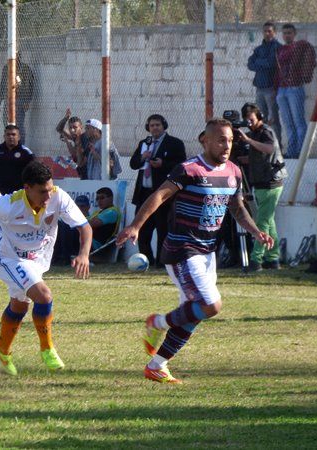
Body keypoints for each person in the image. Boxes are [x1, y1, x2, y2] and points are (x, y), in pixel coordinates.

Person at [116, 118, 273, 384]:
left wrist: (255, 230)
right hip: (181, 248)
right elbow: (159, 195)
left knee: (194, 312)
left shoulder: (233, 171)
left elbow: (236, 206)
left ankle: (157, 365)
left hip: (207, 252)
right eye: (221, 140)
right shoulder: (189, 169)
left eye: (231, 140)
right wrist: (136, 225)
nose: (226, 146)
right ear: (206, 140)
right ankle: (159, 323)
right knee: (210, 304)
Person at [0, 161, 93, 376]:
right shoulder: (7, 204)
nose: (48, 197)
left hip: (37, 261)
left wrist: (83, 254)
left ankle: (2, 350)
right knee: (44, 296)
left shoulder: (58, 197)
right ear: (27, 188)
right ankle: (47, 348)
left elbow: (84, 227)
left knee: (19, 306)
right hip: (8, 259)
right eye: (42, 192)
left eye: (50, 189)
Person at [129, 114, 187, 268]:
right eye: (152, 125)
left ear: (164, 126)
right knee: (142, 229)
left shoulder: (174, 143)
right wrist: (142, 157)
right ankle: (146, 261)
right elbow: (133, 164)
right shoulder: (144, 143)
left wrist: (163, 164)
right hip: (144, 193)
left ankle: (162, 263)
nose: (154, 128)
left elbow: (182, 165)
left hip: (163, 195)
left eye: (157, 125)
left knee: (163, 229)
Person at [234, 103, 286, 271]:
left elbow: (269, 149)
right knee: (269, 222)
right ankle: (273, 258)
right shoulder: (255, 133)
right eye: (246, 119)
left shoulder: (266, 132)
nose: (248, 122)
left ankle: (256, 260)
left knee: (262, 222)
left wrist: (248, 140)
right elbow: (258, 156)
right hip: (261, 182)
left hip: (272, 182)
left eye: (251, 119)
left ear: (259, 117)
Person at [0, 125, 35, 252]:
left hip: (18, 196)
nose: (11, 137)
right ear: (4, 136)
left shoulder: (26, 153)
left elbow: (33, 173)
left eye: (13, 134)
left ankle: (17, 249)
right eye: (8, 135)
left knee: (16, 222)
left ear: (19, 136)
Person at [275, 23, 317, 159]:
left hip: (295, 87)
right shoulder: (280, 49)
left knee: (298, 121)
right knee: (288, 122)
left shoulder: (299, 46)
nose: (287, 35)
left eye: (289, 33)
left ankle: (301, 151)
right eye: (285, 33)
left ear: (294, 34)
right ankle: (292, 151)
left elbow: (310, 60)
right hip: (282, 88)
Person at [247, 21, 283, 143]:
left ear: (274, 32)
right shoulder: (259, 49)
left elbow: (272, 63)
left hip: (271, 88)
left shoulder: (278, 47)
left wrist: (259, 62)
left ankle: (277, 148)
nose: (267, 34)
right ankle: (264, 145)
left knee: (273, 119)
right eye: (265, 31)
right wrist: (263, 62)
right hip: (259, 88)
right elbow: (250, 64)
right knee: (260, 119)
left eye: (270, 31)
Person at [0, 51, 35, 143]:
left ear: (19, 57)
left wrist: (27, 101)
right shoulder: (6, 68)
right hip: (8, 101)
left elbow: (30, 86)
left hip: (20, 100)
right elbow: (2, 85)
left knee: (19, 126)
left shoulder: (25, 69)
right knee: (7, 125)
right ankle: (9, 145)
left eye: (16, 57)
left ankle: (21, 146)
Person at [55, 109, 89, 179]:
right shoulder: (74, 137)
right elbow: (59, 129)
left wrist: (67, 141)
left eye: (75, 127)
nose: (72, 130)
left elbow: (79, 160)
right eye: (70, 128)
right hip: (82, 172)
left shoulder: (85, 138)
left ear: (81, 127)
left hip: (89, 172)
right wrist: (66, 118)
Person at [89, 187, 121, 253]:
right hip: (89, 239)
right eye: (97, 199)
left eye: (102, 198)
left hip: (96, 244)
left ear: (111, 198)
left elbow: (90, 223)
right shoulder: (99, 212)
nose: (99, 201)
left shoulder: (112, 212)